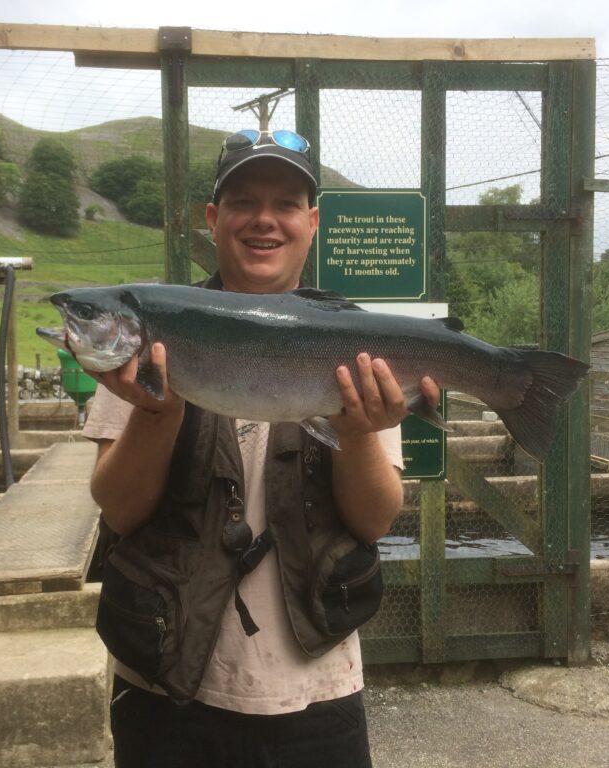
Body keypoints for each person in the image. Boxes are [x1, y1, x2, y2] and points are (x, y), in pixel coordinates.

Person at [79, 128, 440, 768]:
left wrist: (356, 431)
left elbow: (373, 520)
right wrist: (157, 415)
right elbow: (120, 510)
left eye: (285, 204)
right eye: (243, 201)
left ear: (312, 222)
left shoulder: (355, 344)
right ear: (213, 218)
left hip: (317, 688)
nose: (264, 219)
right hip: (165, 684)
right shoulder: (147, 339)